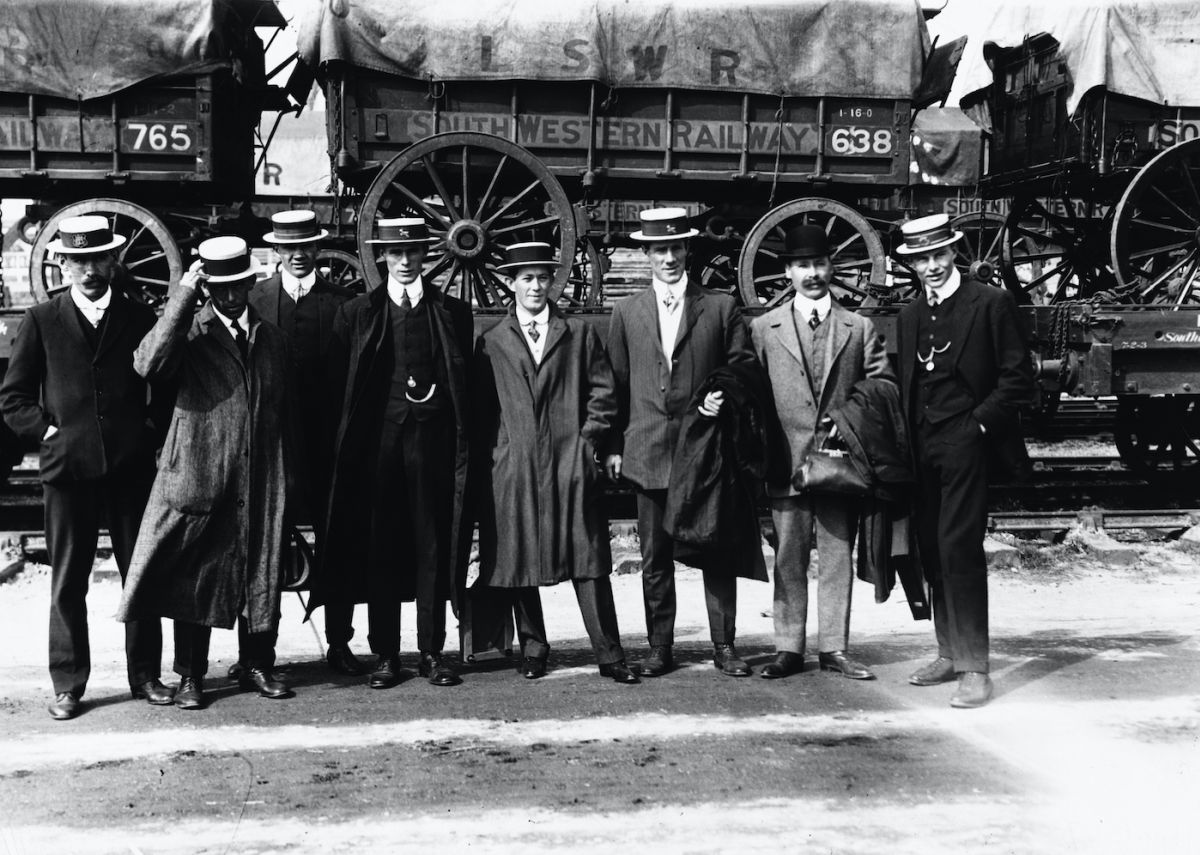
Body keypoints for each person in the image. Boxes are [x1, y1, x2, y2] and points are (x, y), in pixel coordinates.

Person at [0, 215, 169, 720]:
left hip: (128, 469)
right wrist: (49, 432)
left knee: (139, 575)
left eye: (97, 258)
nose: (89, 270)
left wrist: (146, 435)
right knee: (68, 581)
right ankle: (69, 684)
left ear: (112, 260)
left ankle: (146, 676)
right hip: (67, 471)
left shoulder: (138, 317)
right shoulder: (42, 320)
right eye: (78, 260)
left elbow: (159, 389)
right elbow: (13, 399)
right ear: (64, 264)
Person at [116, 236, 296, 710]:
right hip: (201, 469)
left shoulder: (272, 339)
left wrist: (286, 476)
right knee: (196, 572)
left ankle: (257, 663)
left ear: (251, 282)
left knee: (260, 566)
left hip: (258, 474)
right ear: (208, 287)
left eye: (239, 285)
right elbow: (147, 364)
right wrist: (182, 298)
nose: (232, 296)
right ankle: (191, 676)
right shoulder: (189, 332)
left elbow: (284, 408)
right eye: (221, 287)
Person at [313, 218, 472, 690]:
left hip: (431, 448)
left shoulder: (451, 311)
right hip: (378, 450)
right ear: (382, 257)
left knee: (432, 546)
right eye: (395, 255)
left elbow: (462, 381)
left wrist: (437, 400)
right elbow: (340, 389)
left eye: (413, 253)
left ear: (426, 254)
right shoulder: (359, 312)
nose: (404, 263)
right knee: (381, 548)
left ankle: (431, 652)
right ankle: (385, 654)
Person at [472, 242, 639, 684]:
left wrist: (587, 443)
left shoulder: (579, 333)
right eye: (526, 278)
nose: (535, 287)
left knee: (588, 559)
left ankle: (609, 652)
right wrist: (499, 456)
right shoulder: (491, 341)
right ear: (511, 283)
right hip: (515, 466)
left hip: (570, 461)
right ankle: (534, 648)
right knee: (518, 559)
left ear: (553, 282)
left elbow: (603, 394)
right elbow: (483, 410)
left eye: (543, 278)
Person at [605, 207, 759, 678]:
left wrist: (721, 395)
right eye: (659, 250)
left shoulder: (719, 306)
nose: (668, 257)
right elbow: (614, 381)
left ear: (686, 250)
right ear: (647, 254)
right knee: (654, 557)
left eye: (675, 248)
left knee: (716, 548)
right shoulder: (627, 311)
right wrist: (613, 446)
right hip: (648, 448)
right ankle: (660, 646)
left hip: (705, 451)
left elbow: (743, 367)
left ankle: (724, 646)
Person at [894, 214, 1034, 708]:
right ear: (910, 264)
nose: (930, 267)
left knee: (960, 549)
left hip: (968, 443)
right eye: (920, 259)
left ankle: (975, 666)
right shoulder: (910, 316)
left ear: (954, 253)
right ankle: (948, 652)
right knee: (931, 548)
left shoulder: (991, 303)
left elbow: (1019, 380)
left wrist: (976, 427)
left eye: (938, 255)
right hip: (923, 448)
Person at [749, 225, 894, 680]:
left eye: (819, 264)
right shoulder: (763, 329)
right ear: (788, 271)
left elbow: (883, 385)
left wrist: (849, 421)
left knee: (837, 554)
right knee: (788, 555)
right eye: (802, 266)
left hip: (839, 462)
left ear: (832, 267)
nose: (812, 274)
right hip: (785, 462)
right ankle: (787, 647)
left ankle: (834, 648)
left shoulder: (859, 327)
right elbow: (751, 391)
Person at [250, 210, 361, 676]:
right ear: (276, 251)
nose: (298, 256)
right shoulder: (254, 300)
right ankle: (259, 652)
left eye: (306, 248)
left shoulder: (343, 304)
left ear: (318, 250)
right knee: (265, 547)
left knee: (339, 543)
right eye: (288, 248)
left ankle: (339, 643)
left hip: (327, 448)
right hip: (272, 447)